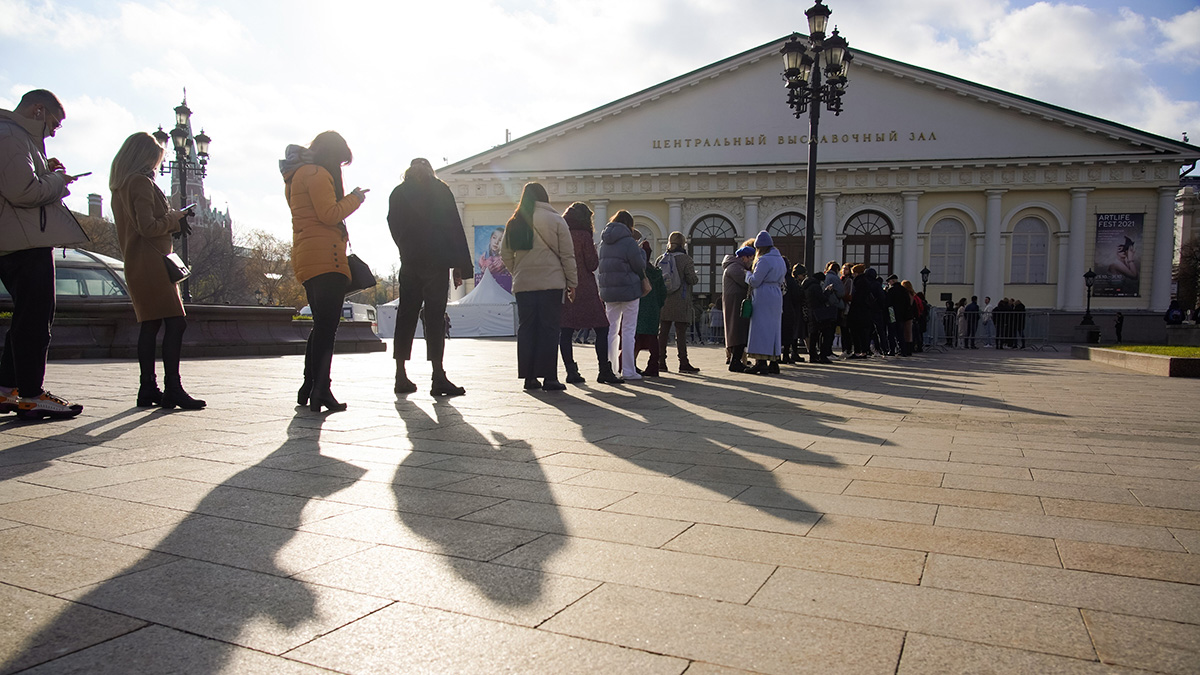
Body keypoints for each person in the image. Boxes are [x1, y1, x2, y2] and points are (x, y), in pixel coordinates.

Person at [0, 89, 86, 420]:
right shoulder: (11, 135)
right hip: (24, 242)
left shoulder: (13, 135)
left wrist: (46, 170)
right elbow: (23, 192)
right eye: (55, 123)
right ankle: (32, 395)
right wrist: (58, 180)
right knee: (36, 318)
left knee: (25, 317)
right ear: (38, 110)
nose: (53, 131)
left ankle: (7, 388)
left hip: (17, 238)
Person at [110, 132, 204, 410]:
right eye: (155, 158)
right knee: (176, 323)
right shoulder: (139, 182)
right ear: (144, 156)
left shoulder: (121, 185)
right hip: (153, 262)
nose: (155, 164)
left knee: (150, 325)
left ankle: (148, 388)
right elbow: (148, 227)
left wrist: (172, 217)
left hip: (138, 261)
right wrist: (175, 218)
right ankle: (172, 388)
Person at [281, 131, 367, 412]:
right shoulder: (316, 173)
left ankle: (309, 385)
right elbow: (329, 214)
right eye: (341, 162)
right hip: (326, 257)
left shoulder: (297, 175)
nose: (339, 168)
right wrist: (354, 198)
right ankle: (322, 389)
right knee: (327, 328)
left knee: (320, 325)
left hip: (306, 256)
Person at [387, 157, 473, 397]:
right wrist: (459, 266)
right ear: (430, 171)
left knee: (405, 316)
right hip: (436, 262)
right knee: (435, 317)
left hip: (410, 263)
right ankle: (438, 376)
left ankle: (400, 375)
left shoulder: (398, 193)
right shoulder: (439, 190)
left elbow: (392, 225)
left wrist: (405, 248)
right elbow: (454, 227)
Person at [501, 183, 577, 391]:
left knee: (527, 328)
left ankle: (529, 377)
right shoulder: (556, 220)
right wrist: (572, 283)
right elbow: (567, 255)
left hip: (524, 284)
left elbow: (505, 253)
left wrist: (518, 270)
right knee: (549, 329)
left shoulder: (515, 222)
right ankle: (550, 378)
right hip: (551, 283)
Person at [557, 202, 617, 384]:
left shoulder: (560, 234)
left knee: (566, 330)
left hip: (565, 286)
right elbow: (592, 263)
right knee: (602, 327)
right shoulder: (583, 235)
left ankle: (571, 370)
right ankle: (603, 370)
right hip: (585, 287)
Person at [597, 210, 645, 382]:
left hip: (609, 291)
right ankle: (629, 370)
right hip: (629, 290)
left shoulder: (603, 242)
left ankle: (611, 369)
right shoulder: (629, 241)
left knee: (611, 331)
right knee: (628, 331)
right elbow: (639, 265)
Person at [656, 231, 701, 373]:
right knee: (681, 333)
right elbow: (692, 280)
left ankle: (661, 361)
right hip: (681, 300)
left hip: (664, 300)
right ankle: (683, 362)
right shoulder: (686, 259)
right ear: (683, 243)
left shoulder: (661, 259)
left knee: (663, 332)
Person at [745, 231, 786, 374]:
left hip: (763, 294)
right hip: (776, 294)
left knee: (760, 328)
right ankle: (774, 362)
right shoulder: (779, 259)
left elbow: (756, 281)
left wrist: (748, 275)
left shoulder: (764, 260)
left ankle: (760, 362)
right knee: (774, 328)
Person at [634, 240, 667, 376]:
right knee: (653, 337)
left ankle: (629, 364)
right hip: (653, 309)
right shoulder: (656, 273)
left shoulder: (637, 272)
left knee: (635, 338)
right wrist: (658, 305)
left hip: (638, 307)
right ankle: (653, 365)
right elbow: (663, 293)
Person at [722, 242, 754, 372]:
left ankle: (736, 360)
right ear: (744, 257)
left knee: (738, 332)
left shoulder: (734, 266)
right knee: (737, 332)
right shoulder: (735, 267)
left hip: (736, 301)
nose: (751, 261)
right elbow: (747, 281)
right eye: (751, 258)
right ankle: (735, 362)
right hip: (735, 302)